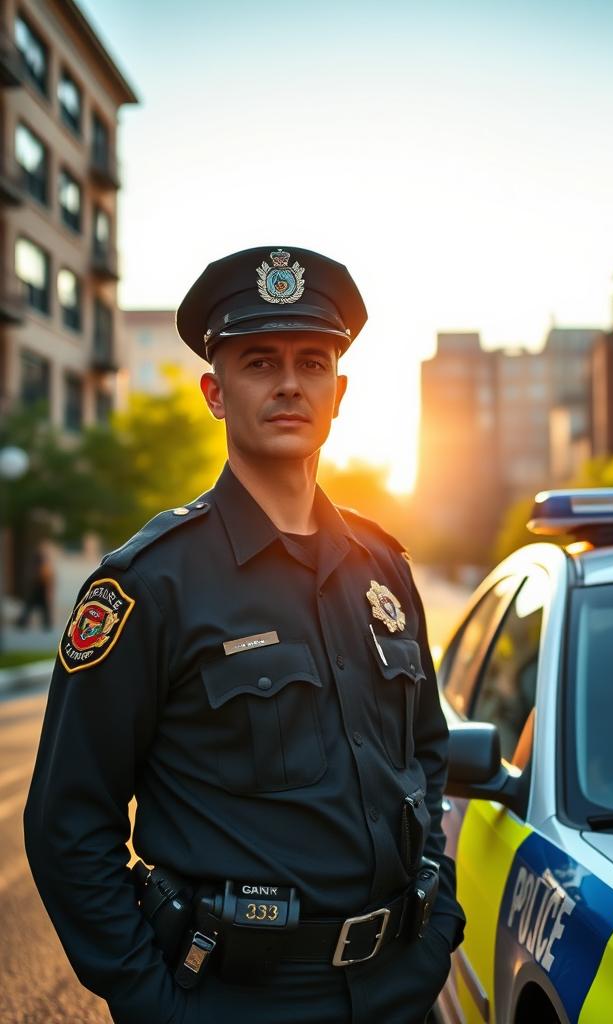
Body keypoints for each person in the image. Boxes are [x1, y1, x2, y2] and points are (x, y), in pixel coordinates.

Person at [23, 246, 465, 1024]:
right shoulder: (148, 586)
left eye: (313, 361)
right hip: (237, 1000)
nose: (290, 382)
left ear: (340, 391)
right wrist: (149, 997)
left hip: (403, 989)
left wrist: (435, 921)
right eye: (260, 361)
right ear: (214, 392)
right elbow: (68, 825)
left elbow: (426, 753)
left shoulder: (384, 570)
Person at [15, 543, 54, 630]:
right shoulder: (38, 563)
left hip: (38, 587)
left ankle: (45, 623)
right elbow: (43, 575)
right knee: (34, 606)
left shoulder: (38, 562)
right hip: (37, 587)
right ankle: (46, 623)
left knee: (33, 606)